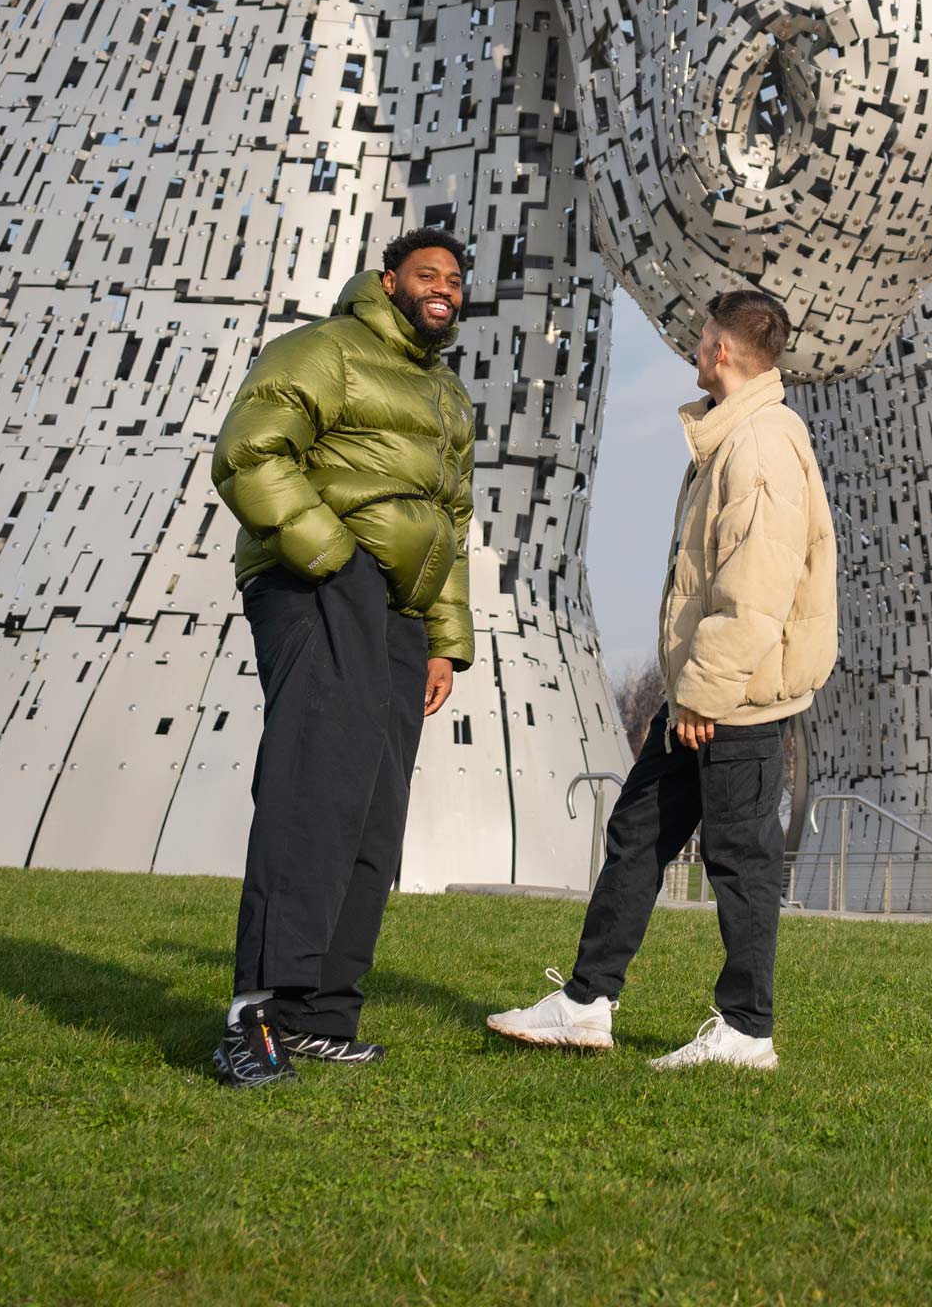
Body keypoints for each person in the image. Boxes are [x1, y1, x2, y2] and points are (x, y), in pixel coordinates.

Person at [489, 288, 834, 1073]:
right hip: (700, 696)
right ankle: (585, 1004)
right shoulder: (734, 435)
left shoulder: (761, 446)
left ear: (720, 350)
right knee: (639, 834)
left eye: (703, 334)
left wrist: (705, 697)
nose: (696, 343)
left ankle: (747, 1030)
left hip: (733, 699)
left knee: (740, 862)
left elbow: (756, 590)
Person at [204, 225, 478, 1089]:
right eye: (427, 273)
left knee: (372, 811)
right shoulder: (326, 349)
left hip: (397, 612)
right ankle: (256, 1018)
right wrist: (332, 556)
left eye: (455, 280)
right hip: (320, 588)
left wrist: (443, 642)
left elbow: (452, 523)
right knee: (314, 791)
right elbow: (250, 453)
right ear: (388, 281)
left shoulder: (447, 397)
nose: (445, 287)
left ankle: (323, 1014)